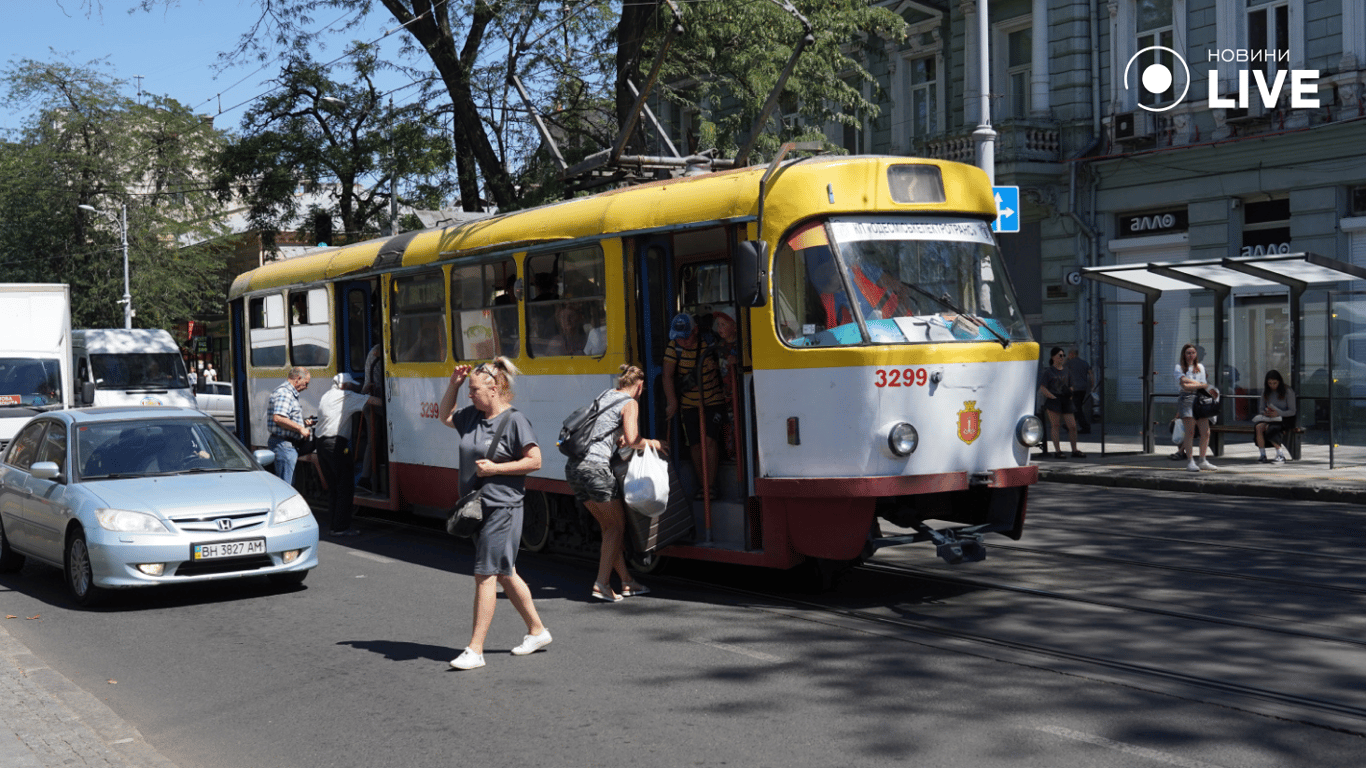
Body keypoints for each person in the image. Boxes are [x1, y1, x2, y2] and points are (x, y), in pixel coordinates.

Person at [438, 358, 550, 671]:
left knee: (485, 574)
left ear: (494, 388)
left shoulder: (515, 421)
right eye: (468, 390)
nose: (469, 396)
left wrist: (498, 468)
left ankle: (475, 650)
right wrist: (454, 385)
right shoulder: (472, 416)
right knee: (505, 572)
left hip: (503, 506)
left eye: (474, 390)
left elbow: (535, 461)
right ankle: (538, 631)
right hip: (477, 508)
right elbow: (444, 416)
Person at [563, 365, 667, 602]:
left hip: (574, 469)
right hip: (596, 470)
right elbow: (633, 440)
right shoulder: (630, 403)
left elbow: (606, 429)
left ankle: (628, 582)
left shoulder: (605, 395)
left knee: (609, 527)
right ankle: (602, 583)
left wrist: (618, 434)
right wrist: (656, 444)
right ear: (639, 386)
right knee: (616, 528)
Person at [662, 312, 727, 500]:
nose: (682, 341)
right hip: (689, 404)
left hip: (713, 400)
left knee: (709, 442)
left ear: (696, 330)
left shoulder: (710, 342)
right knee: (696, 445)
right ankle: (703, 486)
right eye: (678, 338)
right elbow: (667, 376)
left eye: (686, 336)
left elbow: (726, 358)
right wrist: (672, 401)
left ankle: (711, 487)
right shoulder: (674, 347)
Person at [316, 373, 381, 536]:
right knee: (345, 487)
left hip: (321, 445)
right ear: (344, 386)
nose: (351, 387)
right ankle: (341, 528)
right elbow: (374, 402)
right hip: (337, 446)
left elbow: (355, 399)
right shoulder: (346, 395)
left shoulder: (326, 395)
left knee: (333, 488)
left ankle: (334, 525)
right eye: (350, 385)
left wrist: (362, 393)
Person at [1176, 342, 1219, 472]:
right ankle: (1190, 461)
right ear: (1184, 354)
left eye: (1193, 353)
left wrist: (1194, 384)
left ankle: (1203, 460)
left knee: (1205, 432)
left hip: (1201, 400)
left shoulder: (1200, 366)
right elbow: (1184, 386)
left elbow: (1203, 385)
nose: (1191, 355)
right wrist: (1199, 384)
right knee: (1190, 432)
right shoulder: (1179, 367)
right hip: (1186, 399)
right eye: (1188, 353)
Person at [267, 367, 312, 485]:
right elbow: (278, 418)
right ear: (298, 379)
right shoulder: (285, 393)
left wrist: (303, 422)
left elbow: (286, 417)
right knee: (286, 487)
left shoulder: (288, 393)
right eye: (306, 383)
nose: (306, 387)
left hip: (285, 445)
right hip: (284, 445)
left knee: (288, 485)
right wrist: (300, 428)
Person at [1038, 347, 1083, 459]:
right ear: (1053, 357)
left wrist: (1070, 393)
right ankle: (1058, 451)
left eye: (1063, 355)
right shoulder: (1048, 372)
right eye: (1060, 355)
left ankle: (1074, 450)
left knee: (1072, 426)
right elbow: (1043, 388)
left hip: (1066, 400)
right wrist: (1052, 396)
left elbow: (1071, 385)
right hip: (1054, 400)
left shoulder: (1067, 370)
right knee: (1055, 425)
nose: (1062, 357)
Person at [1254, 369, 1297, 464]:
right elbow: (1261, 408)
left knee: (1271, 428)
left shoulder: (1288, 391)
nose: (1272, 385)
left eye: (1275, 383)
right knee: (1258, 427)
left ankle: (1280, 454)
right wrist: (1266, 412)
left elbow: (1292, 411)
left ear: (1279, 382)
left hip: (1285, 418)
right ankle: (1262, 455)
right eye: (1270, 383)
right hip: (1270, 418)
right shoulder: (1265, 391)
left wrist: (1279, 413)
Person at [1065, 348, 1094, 434]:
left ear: (1072, 354)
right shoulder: (1084, 362)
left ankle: (1085, 427)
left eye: (1069, 354)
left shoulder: (1069, 363)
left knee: (1077, 408)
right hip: (1083, 389)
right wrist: (1092, 385)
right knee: (1077, 407)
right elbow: (1091, 374)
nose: (1068, 356)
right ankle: (1069, 425)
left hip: (1074, 389)